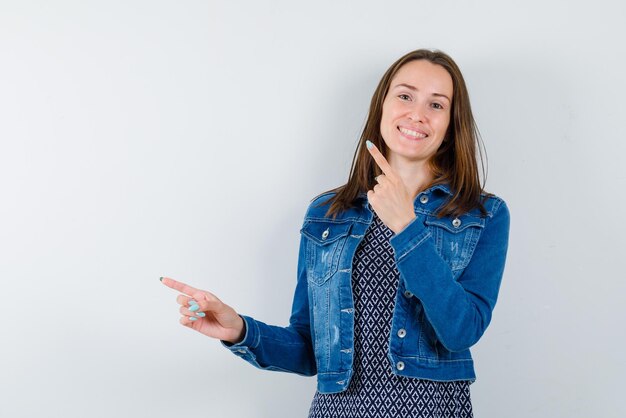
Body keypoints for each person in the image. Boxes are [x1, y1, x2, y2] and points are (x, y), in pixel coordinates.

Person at [161, 48, 510, 418]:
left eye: (437, 105)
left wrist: (407, 228)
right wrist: (239, 330)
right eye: (405, 96)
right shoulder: (328, 214)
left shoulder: (483, 214)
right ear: (382, 106)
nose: (417, 114)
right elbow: (310, 348)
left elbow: (461, 331)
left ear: (451, 122)